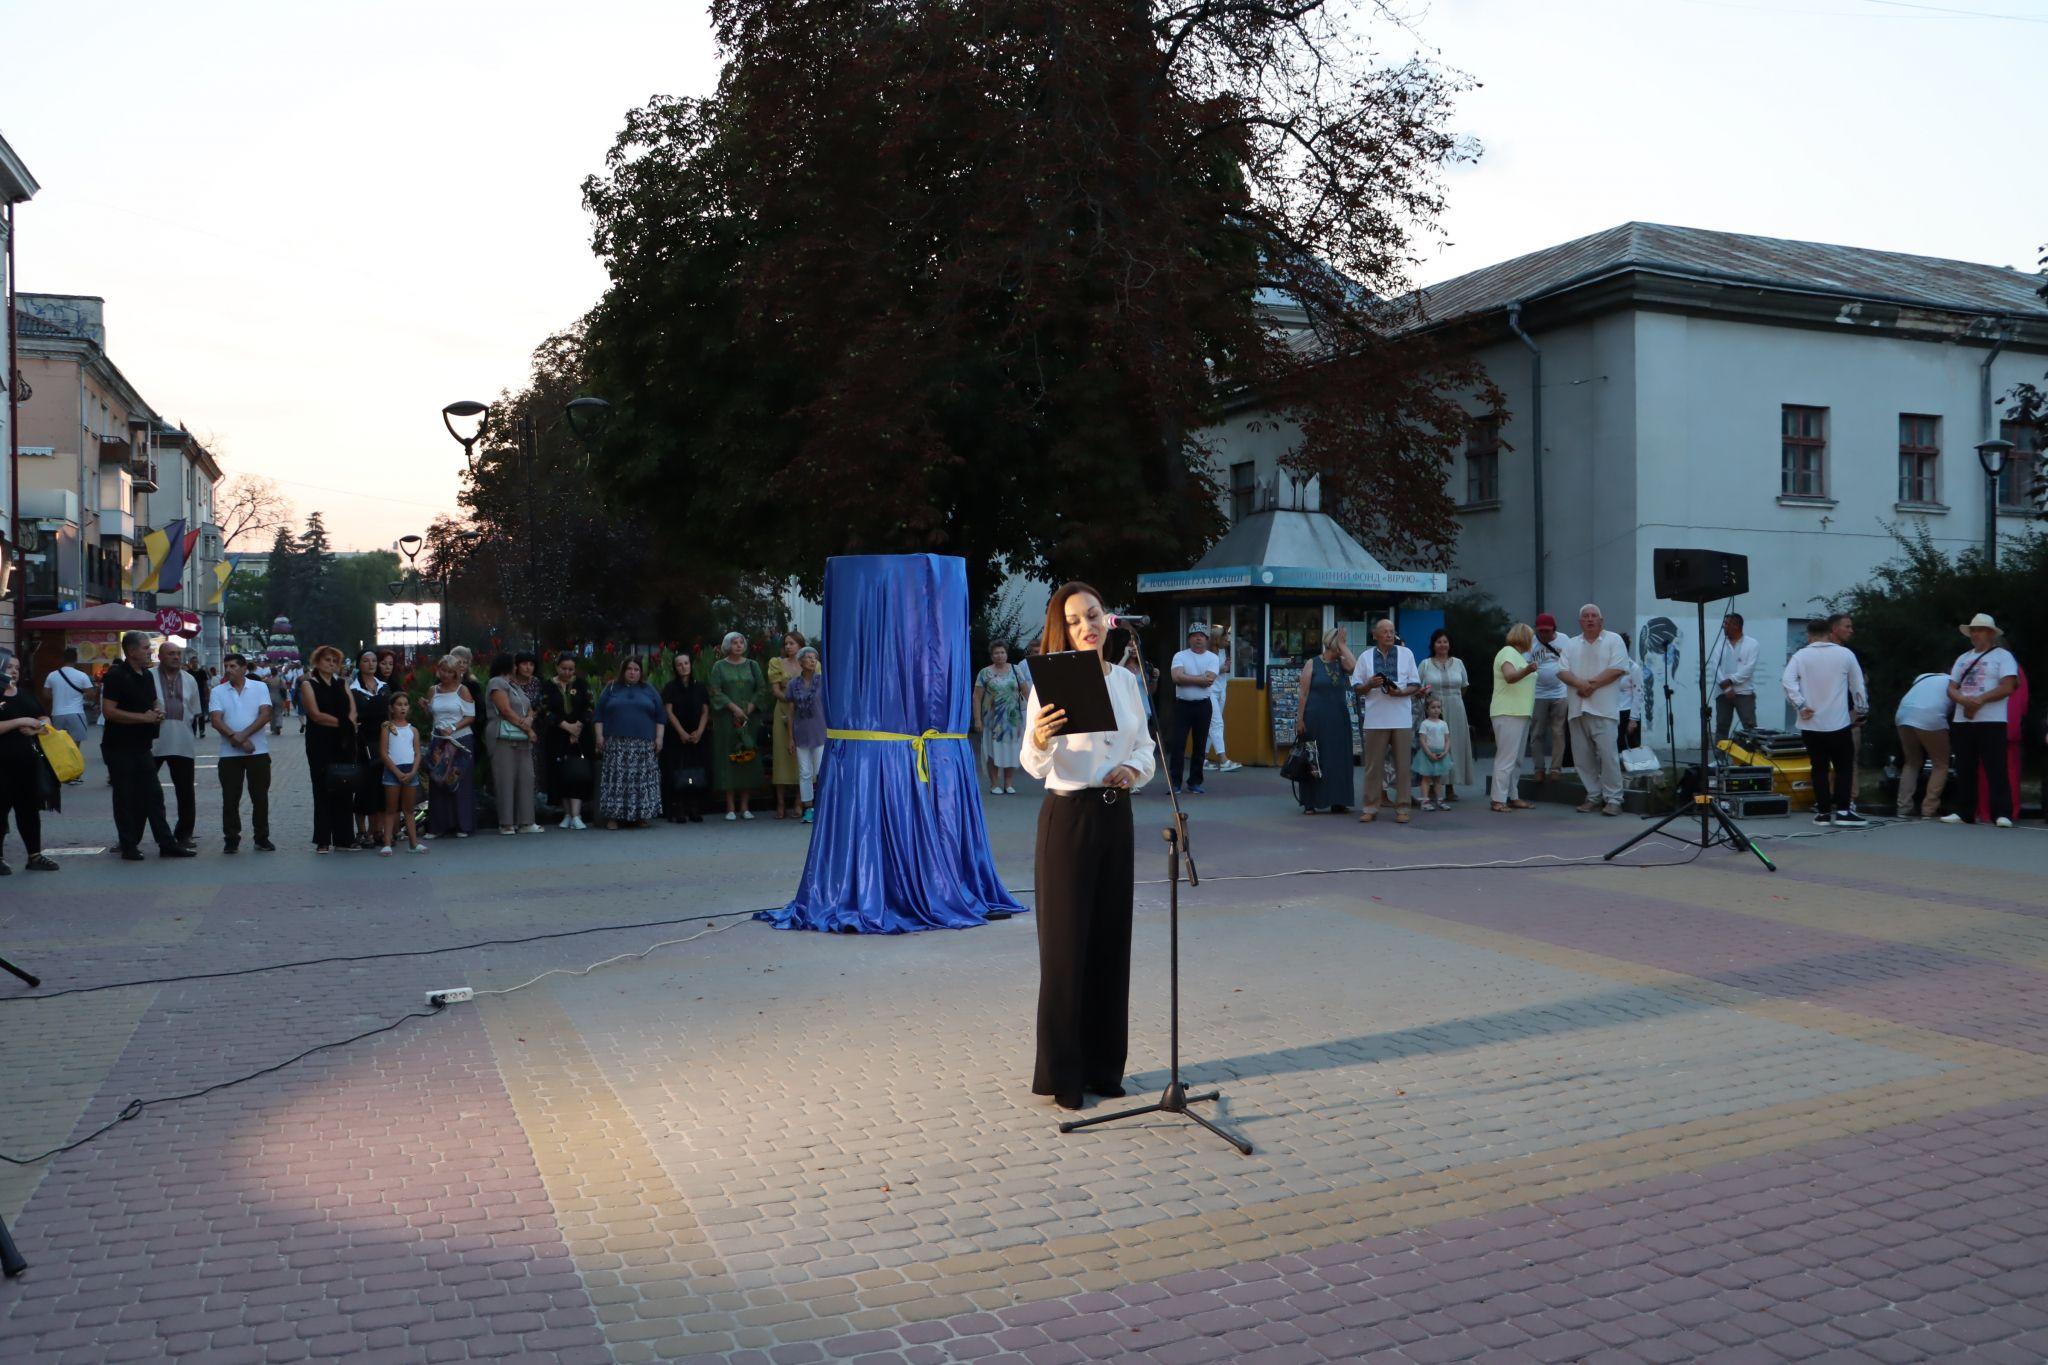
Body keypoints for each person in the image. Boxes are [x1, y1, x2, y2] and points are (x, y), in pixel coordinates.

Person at [1019, 581, 1155, 1111]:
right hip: (1069, 818)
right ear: (1064, 629)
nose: (1087, 625)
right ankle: (1063, 1074)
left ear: (1108, 619)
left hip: (1115, 814)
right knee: (1066, 948)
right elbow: (1034, 766)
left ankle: (1105, 1067)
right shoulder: (1048, 681)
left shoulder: (1124, 681)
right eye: (1075, 620)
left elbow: (1144, 744)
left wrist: (1133, 768)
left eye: (1093, 615)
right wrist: (1039, 739)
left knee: (1109, 943)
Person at [102, 630, 192, 861]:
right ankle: (128, 845)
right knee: (125, 797)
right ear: (131, 651)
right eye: (145, 648)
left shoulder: (145, 675)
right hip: (119, 746)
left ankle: (166, 843)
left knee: (154, 795)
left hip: (143, 746)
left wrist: (157, 711)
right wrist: (144, 718)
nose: (149, 651)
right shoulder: (116, 675)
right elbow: (109, 711)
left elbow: (152, 700)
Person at [1781, 618, 1869, 828]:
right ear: (1830, 633)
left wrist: (1801, 705)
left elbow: (1787, 682)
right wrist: (1862, 710)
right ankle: (1843, 810)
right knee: (1843, 767)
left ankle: (1822, 812)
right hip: (1838, 722)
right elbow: (1857, 685)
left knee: (1818, 767)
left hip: (1810, 723)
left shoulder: (1800, 656)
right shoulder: (1845, 654)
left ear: (1809, 635)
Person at [1940, 613, 2019, 829]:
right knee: (1964, 766)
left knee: (1996, 767)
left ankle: (2002, 813)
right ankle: (1964, 811)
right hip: (1963, 719)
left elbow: (2008, 686)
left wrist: (1980, 700)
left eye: (1980, 630)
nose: (1975, 634)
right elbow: (1951, 687)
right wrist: (1964, 700)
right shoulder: (1963, 657)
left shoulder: (2003, 656)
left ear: (1991, 634)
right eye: (1973, 630)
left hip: (1992, 719)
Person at [1557, 603, 1630, 816]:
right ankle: (1593, 796)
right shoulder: (1571, 644)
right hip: (1577, 708)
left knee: (1608, 757)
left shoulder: (1614, 640)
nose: (1590, 619)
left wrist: (1591, 685)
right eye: (1586, 616)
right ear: (1580, 622)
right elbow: (1562, 671)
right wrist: (1581, 685)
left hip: (1603, 709)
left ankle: (1614, 799)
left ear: (1601, 620)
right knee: (1582, 758)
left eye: (1594, 616)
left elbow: (1617, 668)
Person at [1353, 618, 1421, 824]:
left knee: (1403, 765)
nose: (1390, 635)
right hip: (1375, 719)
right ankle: (1370, 806)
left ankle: (1402, 808)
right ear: (1375, 635)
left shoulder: (1406, 653)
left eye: (1392, 631)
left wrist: (1401, 693)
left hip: (1401, 718)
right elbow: (1356, 688)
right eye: (1385, 631)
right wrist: (1369, 684)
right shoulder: (1365, 657)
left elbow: (1415, 684)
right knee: (1373, 766)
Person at [208, 651, 274, 853]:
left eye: (233, 666)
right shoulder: (218, 691)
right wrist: (234, 738)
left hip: (258, 752)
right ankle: (231, 838)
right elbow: (216, 720)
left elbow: (265, 715)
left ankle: (261, 837)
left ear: (244, 668)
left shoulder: (259, 687)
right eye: (226, 666)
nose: (229, 670)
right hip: (229, 755)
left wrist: (242, 736)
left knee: (259, 797)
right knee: (230, 798)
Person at [0, 647, 59, 874]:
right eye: (8, 667)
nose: (14, 672)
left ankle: (34, 855)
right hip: (2, 765)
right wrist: (20, 721)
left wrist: (39, 727)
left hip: (26, 764)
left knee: (29, 811)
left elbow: (44, 717)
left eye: (16, 668)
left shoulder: (24, 694)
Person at [1292, 627, 1358, 814]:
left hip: (1338, 717)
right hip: (1315, 717)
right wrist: (1300, 719)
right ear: (1332, 643)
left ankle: (1338, 800)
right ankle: (1310, 801)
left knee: (1338, 758)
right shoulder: (1312, 663)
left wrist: (1344, 646)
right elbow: (1303, 693)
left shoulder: (1342, 663)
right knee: (1315, 758)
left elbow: (1355, 666)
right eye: (1340, 643)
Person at [300, 644, 359, 852]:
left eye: (335, 661)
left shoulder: (343, 683)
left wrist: (348, 724)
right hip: (320, 742)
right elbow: (315, 715)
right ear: (317, 661)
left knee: (344, 785)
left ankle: (345, 837)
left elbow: (352, 710)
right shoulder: (309, 684)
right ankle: (323, 838)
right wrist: (345, 724)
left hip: (343, 741)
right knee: (323, 787)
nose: (331, 664)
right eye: (327, 660)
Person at [595, 655, 664, 828]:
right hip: (616, 743)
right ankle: (613, 818)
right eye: (629, 669)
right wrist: (599, 736)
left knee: (641, 781)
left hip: (643, 744)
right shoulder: (611, 688)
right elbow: (599, 715)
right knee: (616, 781)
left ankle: (640, 816)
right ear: (623, 671)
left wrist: (659, 738)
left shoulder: (649, 689)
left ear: (641, 672)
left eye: (636, 670)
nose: (633, 673)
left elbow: (660, 716)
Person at [150, 640, 204, 852]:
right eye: (171, 653)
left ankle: (184, 834)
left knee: (185, 791)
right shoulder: (149, 677)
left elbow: (193, 709)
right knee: (144, 791)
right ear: (160, 656)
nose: (175, 657)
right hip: (154, 741)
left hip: (182, 741)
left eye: (177, 653)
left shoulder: (189, 679)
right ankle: (132, 835)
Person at [709, 631, 768, 820]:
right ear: (727, 645)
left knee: (748, 756)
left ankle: (745, 806)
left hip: (749, 719)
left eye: (741, 642)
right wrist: (734, 708)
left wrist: (749, 708)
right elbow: (715, 691)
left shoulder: (753, 665)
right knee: (729, 758)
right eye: (734, 642)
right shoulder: (719, 666)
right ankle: (730, 807)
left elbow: (761, 689)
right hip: (727, 719)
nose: (738, 645)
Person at [486, 654, 542, 836]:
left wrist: (530, 719)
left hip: (522, 738)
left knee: (526, 777)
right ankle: (507, 823)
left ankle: (526, 821)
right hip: (503, 736)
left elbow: (529, 708)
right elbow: (505, 710)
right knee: (505, 778)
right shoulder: (496, 683)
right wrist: (527, 728)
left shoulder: (515, 686)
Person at [424, 655, 478, 839]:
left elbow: (471, 716)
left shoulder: (462, 690)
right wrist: (425, 707)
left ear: (456, 673)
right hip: (439, 741)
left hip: (460, 740)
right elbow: (431, 714)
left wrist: (453, 727)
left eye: (450, 672)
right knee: (438, 781)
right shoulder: (433, 690)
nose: (445, 675)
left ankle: (463, 825)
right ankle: (438, 826)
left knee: (459, 781)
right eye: (443, 670)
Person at [1417, 629, 1472, 801]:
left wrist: (1452, 700)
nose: (1442, 645)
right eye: (1439, 642)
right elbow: (1417, 689)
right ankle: (1433, 785)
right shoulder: (1425, 664)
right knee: (1434, 744)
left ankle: (1450, 786)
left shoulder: (1458, 663)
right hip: (1434, 710)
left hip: (1456, 708)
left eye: (1445, 642)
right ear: (1433, 644)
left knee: (1454, 746)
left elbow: (1464, 686)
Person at [1166, 624, 1222, 795]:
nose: (1198, 638)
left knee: (1200, 745)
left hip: (1203, 705)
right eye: (1194, 635)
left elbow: (1210, 680)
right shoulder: (1180, 655)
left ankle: (1195, 782)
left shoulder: (1212, 658)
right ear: (1189, 638)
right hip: (1182, 705)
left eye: (1201, 636)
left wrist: (1186, 678)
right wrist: (1199, 679)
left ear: (1206, 639)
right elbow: (1176, 677)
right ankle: (1175, 782)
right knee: (1178, 744)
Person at [541, 655, 595, 829]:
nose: (567, 672)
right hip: (557, 735)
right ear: (556, 667)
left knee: (577, 773)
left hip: (580, 736)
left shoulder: (581, 684)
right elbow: (544, 709)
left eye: (571, 669)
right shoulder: (548, 685)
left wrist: (577, 727)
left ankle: (577, 814)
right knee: (561, 773)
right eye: (563, 668)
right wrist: (565, 726)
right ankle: (567, 813)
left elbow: (590, 707)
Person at [1490, 623, 1539, 812]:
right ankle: (1498, 799)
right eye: (1531, 638)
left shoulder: (1518, 656)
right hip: (1508, 712)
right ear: (1524, 638)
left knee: (1516, 759)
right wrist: (1528, 670)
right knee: (1506, 757)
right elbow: (1510, 676)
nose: (1533, 642)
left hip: (1520, 712)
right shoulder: (1507, 652)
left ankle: (1512, 795)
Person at [1892, 668, 1951, 820]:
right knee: (1941, 764)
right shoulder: (1954, 682)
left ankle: (1903, 808)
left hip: (1903, 714)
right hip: (1930, 716)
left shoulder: (1923, 676)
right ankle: (1929, 809)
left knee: (1912, 762)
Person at [660, 651, 710, 824]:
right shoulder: (670, 687)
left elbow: (705, 711)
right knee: (678, 771)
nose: (683, 667)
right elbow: (668, 711)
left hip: (697, 736)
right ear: (675, 667)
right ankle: (678, 807)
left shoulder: (700, 687)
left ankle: (694, 807)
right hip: (676, 736)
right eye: (679, 664)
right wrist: (681, 732)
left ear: (691, 665)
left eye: (686, 663)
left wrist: (700, 731)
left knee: (695, 771)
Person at [348, 649, 390, 848]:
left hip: (383, 742)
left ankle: (378, 830)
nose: (371, 664)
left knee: (381, 788)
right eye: (366, 660)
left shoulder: (385, 687)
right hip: (362, 744)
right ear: (359, 664)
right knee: (363, 788)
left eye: (374, 660)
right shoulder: (352, 689)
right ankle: (362, 831)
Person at [377, 692, 427, 856]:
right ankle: (387, 843)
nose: (403, 707)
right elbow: (384, 753)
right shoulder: (387, 728)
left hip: (409, 771)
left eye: (405, 704)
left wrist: (413, 771)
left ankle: (413, 843)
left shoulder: (413, 730)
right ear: (391, 708)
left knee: (409, 810)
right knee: (391, 809)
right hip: (393, 771)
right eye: (399, 704)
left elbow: (417, 753)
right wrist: (397, 772)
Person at [974, 642, 1025, 795]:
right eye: (996, 653)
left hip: (1013, 720)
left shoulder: (1016, 670)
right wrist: (977, 720)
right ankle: (994, 783)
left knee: (1012, 750)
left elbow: (1027, 692)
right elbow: (977, 697)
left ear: (1006, 654)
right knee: (992, 751)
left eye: (1002, 652)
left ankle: (1008, 783)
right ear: (991, 656)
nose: (1000, 655)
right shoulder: (985, 673)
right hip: (992, 721)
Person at [40, 646, 97, 782]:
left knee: (59, 745)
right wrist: (81, 695)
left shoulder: (52, 675)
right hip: (76, 713)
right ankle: (75, 775)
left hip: (57, 714)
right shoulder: (81, 675)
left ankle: (61, 773)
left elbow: (46, 695)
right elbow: (91, 695)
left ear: (62, 659)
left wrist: (59, 696)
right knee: (74, 745)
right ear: (76, 659)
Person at [785, 646, 827, 824]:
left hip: (820, 732)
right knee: (805, 773)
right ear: (800, 661)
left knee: (821, 771)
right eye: (808, 657)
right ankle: (808, 808)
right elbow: (790, 712)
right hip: (801, 732)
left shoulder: (824, 681)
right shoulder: (793, 684)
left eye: (814, 657)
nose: (812, 660)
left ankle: (823, 807)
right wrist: (790, 737)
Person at [1526, 613, 1568, 781]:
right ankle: (1539, 768)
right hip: (1538, 693)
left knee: (1558, 731)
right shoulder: (1531, 642)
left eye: (1547, 631)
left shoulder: (1564, 640)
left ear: (1554, 630)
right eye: (1541, 631)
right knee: (1537, 732)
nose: (1544, 634)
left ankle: (1556, 768)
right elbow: (1524, 663)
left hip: (1560, 691)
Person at [768, 631, 805, 820]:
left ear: (800, 645)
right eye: (786, 643)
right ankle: (780, 804)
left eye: (792, 643)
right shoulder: (777, 663)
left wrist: (802, 703)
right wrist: (791, 699)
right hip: (783, 711)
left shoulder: (809, 662)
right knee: (782, 757)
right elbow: (775, 690)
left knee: (802, 758)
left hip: (804, 714)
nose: (788, 646)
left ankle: (799, 801)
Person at [1711, 613, 1760, 740]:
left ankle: (1750, 758)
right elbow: (1714, 666)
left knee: (1750, 727)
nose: (1723, 627)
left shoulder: (1752, 643)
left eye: (1726, 624)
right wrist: (1726, 687)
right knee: (1722, 726)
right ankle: (1720, 758)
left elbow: (1749, 669)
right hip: (1723, 693)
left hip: (1744, 692)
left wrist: (1730, 680)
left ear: (1736, 626)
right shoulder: (1720, 644)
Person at [1205, 627, 1241, 773]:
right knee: (1217, 723)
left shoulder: (1221, 651)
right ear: (1216, 640)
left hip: (1221, 688)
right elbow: (1208, 673)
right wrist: (1222, 668)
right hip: (1211, 690)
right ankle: (1223, 759)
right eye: (1225, 640)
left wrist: (1225, 667)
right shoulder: (1208, 654)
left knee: (1211, 725)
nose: (1227, 642)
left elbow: (1221, 670)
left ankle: (1202, 758)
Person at [1415, 696, 1453, 810]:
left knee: (1438, 779)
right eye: (1433, 707)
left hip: (1440, 753)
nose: (1436, 710)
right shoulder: (1425, 724)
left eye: (1438, 707)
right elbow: (1422, 739)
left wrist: (1445, 751)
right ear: (1427, 709)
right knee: (1426, 778)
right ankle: (1425, 801)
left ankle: (1440, 800)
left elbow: (1447, 739)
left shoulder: (1443, 724)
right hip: (1427, 754)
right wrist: (1428, 753)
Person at [262, 664, 287, 735]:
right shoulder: (280, 679)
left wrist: (267, 675)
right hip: (279, 697)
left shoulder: (268, 679)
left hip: (270, 697)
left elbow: (261, 681)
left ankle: (273, 728)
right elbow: (284, 687)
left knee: (271, 714)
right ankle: (278, 724)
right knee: (278, 712)